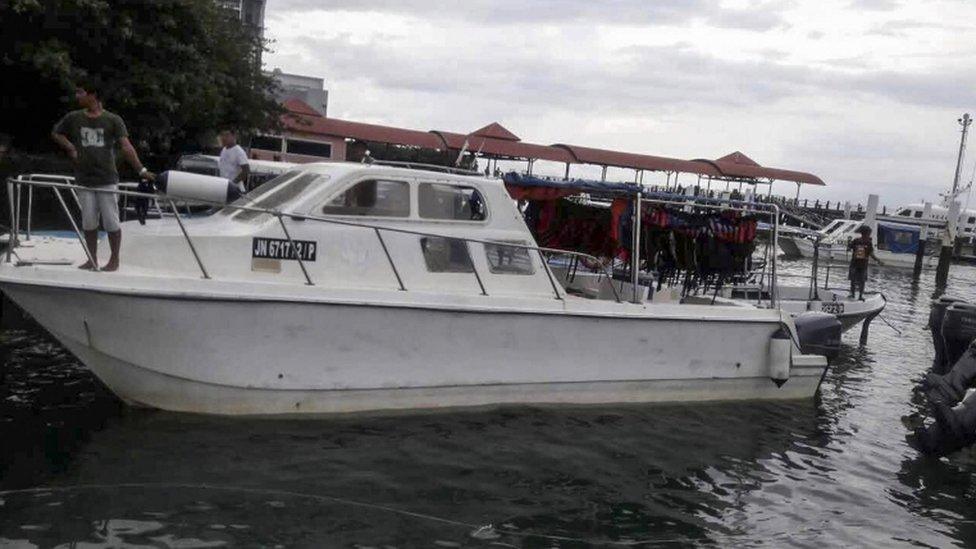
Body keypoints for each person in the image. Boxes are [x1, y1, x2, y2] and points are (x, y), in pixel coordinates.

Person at [52, 80, 154, 271]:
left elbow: (126, 147)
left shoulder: (113, 120)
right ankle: (92, 258)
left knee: (111, 220)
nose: (78, 97)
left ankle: (114, 260)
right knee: (88, 221)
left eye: (81, 93)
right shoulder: (73, 118)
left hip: (106, 178)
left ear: (93, 95)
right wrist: (71, 147)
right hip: (84, 178)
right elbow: (57, 133)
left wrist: (141, 170)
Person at [848, 225, 884, 299]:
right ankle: (860, 295)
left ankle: (853, 294)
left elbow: (849, 247)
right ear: (867, 233)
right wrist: (878, 260)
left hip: (855, 263)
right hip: (863, 264)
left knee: (853, 280)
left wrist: (849, 244)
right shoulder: (868, 243)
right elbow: (871, 254)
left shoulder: (856, 240)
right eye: (869, 233)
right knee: (862, 281)